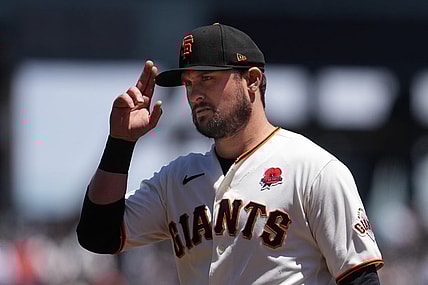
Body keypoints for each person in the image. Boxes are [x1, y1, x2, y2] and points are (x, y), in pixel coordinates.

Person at [77, 23, 384, 285]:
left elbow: (361, 278)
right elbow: (98, 235)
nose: (195, 93)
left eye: (208, 78)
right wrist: (120, 143)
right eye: (189, 82)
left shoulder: (314, 170)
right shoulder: (176, 178)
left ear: (252, 80)